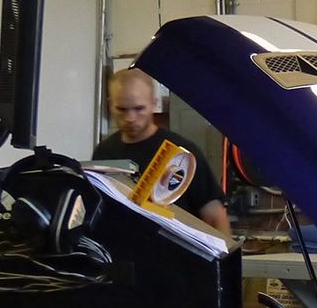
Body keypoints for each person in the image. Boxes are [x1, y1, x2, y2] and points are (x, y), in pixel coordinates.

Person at [92, 68, 231, 234]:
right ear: (110, 105)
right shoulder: (103, 153)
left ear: (154, 103)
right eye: (121, 109)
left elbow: (216, 218)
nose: (130, 118)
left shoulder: (182, 154)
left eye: (139, 109)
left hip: (175, 248)